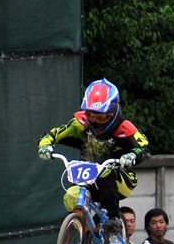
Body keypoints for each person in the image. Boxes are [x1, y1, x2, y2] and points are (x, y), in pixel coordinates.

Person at [37, 78, 150, 231]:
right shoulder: (79, 123)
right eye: (91, 116)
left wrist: (131, 156)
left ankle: (114, 218)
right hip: (90, 178)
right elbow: (52, 134)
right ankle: (89, 233)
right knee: (71, 195)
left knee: (105, 171)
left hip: (121, 179)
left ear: (113, 112)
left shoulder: (124, 127)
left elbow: (143, 148)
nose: (95, 122)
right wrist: (45, 146)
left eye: (101, 117)